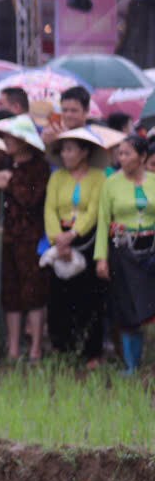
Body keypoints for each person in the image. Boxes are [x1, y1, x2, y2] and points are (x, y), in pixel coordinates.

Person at [42, 126, 107, 364]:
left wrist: (75, 233)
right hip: (60, 239)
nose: (66, 155)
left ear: (84, 152)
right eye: (63, 150)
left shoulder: (99, 177)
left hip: (86, 239)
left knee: (90, 296)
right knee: (59, 296)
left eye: (70, 150)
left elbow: (94, 210)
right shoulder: (57, 176)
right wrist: (57, 237)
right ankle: (62, 347)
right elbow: (49, 208)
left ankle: (92, 352)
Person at [0, 117, 51, 361]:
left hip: (31, 238)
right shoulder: (5, 164)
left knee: (33, 290)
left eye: (11, 137)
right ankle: (13, 349)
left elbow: (31, 199)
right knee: (11, 292)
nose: (7, 141)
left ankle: (36, 347)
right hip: (7, 239)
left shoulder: (39, 167)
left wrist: (11, 182)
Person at [98, 134, 155, 371]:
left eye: (127, 153)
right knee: (127, 307)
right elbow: (103, 220)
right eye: (119, 153)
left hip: (151, 249)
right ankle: (132, 365)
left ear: (142, 157)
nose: (122, 158)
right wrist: (101, 257)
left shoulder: (153, 180)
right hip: (123, 251)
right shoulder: (111, 183)